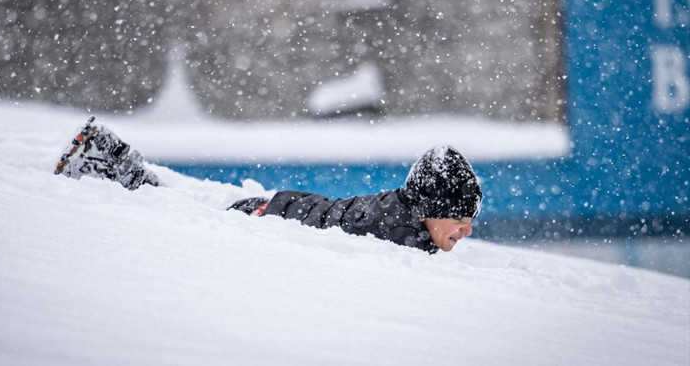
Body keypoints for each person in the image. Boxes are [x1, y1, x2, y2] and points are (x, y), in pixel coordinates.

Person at [55, 117, 483, 254]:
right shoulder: (396, 232)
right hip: (269, 218)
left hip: (285, 206)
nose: (467, 230)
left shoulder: (406, 216)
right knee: (164, 209)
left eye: (471, 219)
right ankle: (106, 160)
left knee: (176, 203)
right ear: (427, 209)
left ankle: (109, 160)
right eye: (460, 219)